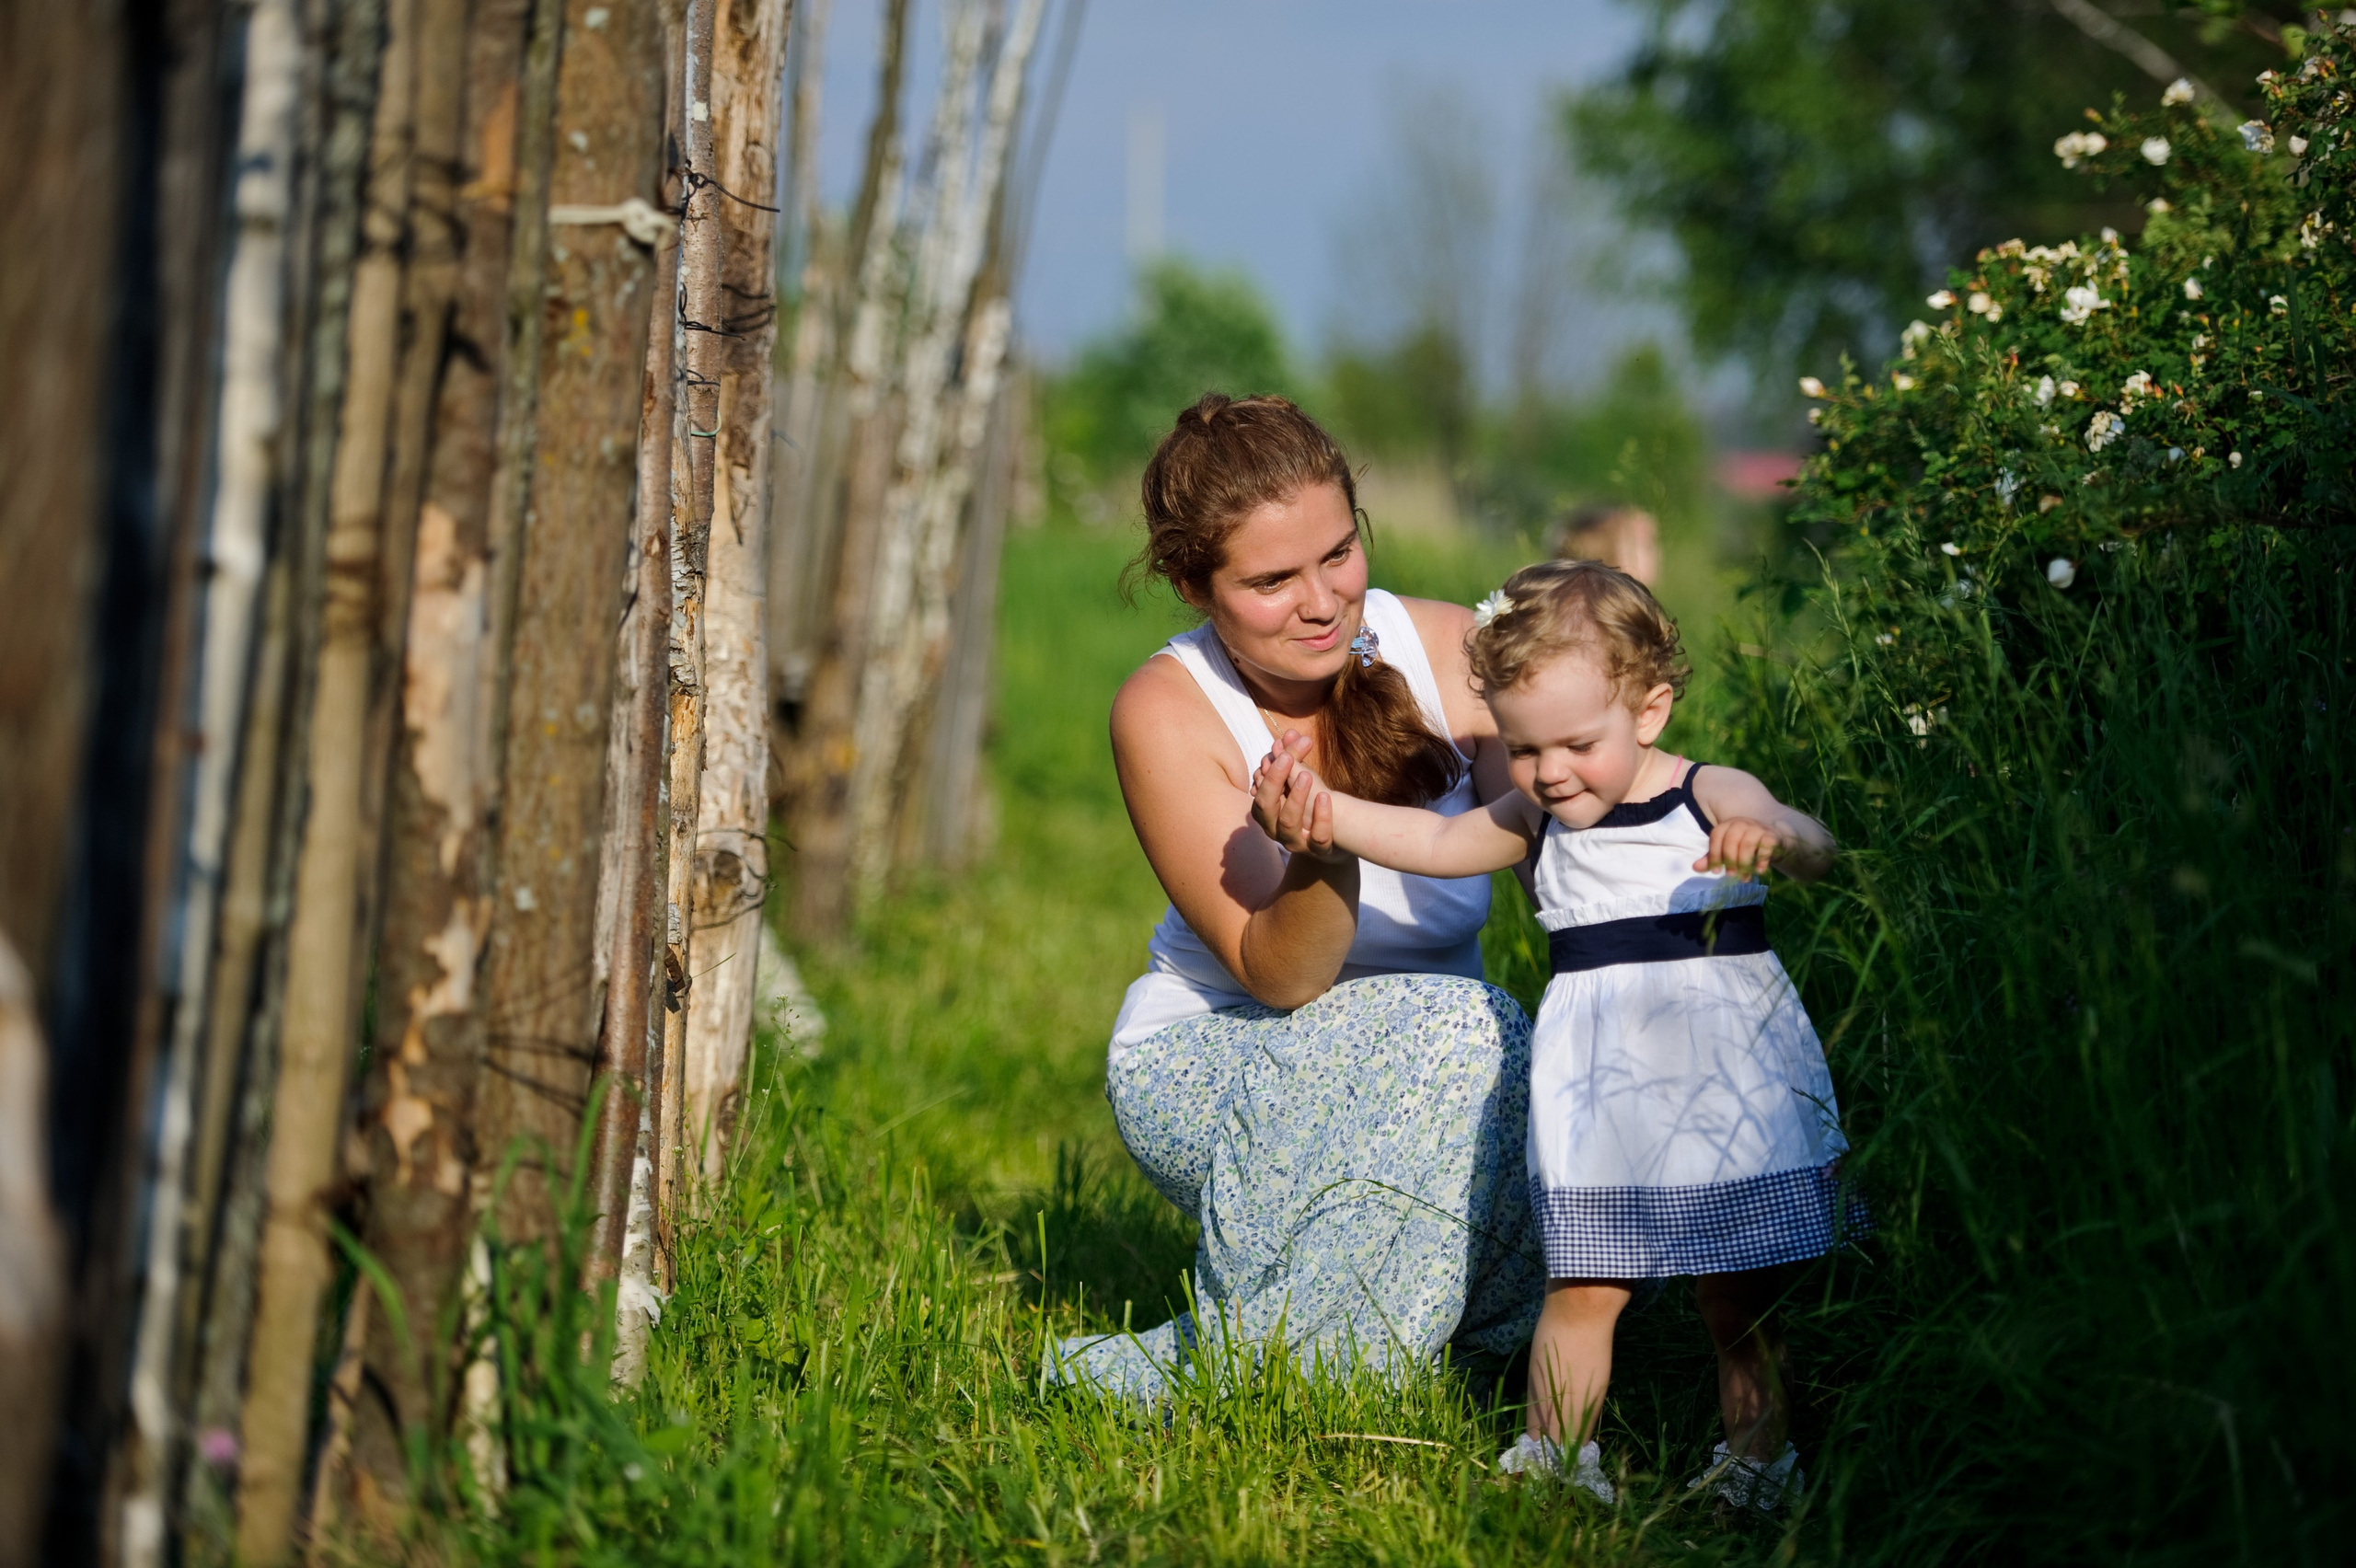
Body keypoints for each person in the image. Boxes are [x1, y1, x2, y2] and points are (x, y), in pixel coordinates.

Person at [1251, 557, 1861, 1511]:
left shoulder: (1708, 792)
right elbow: (1441, 844)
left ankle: (1758, 1463)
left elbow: (1803, 832)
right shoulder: (1538, 816)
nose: (1548, 771)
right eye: (1525, 749)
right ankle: (1555, 1459)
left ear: (1648, 713)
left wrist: (1773, 842)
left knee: (1737, 1297)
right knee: (1584, 1285)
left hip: (1724, 1084)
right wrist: (1325, 819)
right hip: (1600, 1097)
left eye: (1576, 744)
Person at [1047, 394, 1544, 1403]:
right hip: (1218, 1059)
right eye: (1272, 580)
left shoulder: (1444, 647)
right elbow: (1281, 975)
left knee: (1572, 1201)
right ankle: (1265, 1379)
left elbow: (1549, 836)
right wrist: (1327, 853)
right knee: (1467, 1027)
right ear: (1195, 584)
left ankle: (1361, 1331)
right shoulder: (1168, 707)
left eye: (1337, 554)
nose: (1323, 602)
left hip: (1443, 1072)